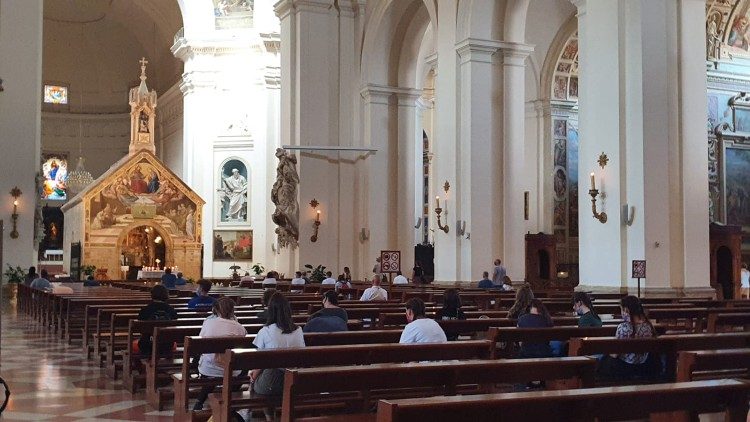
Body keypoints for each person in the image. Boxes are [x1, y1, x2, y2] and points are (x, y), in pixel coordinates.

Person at [192, 297, 248, 410]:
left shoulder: (208, 323)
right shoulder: (240, 328)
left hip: (209, 368)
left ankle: (199, 401)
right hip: (232, 370)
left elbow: (201, 341)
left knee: (211, 368)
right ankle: (229, 398)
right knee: (243, 368)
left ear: (216, 310)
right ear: (233, 311)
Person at [252, 294, 305, 400]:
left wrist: (253, 377)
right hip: (294, 379)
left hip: (272, 382)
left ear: (270, 311)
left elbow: (259, 360)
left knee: (257, 380)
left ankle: (268, 416)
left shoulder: (265, 331)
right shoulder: (298, 329)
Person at [597, 295, 659, 380]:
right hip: (644, 365)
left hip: (625, 367)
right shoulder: (648, 326)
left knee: (602, 360)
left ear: (626, 310)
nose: (621, 313)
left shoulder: (623, 327)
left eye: (621, 310)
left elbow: (615, 354)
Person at [136, 285, 178, 355]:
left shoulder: (145, 310)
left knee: (133, 345)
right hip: (167, 345)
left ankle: (137, 364)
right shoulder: (171, 310)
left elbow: (140, 329)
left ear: (152, 294)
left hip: (147, 345)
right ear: (166, 295)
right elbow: (174, 327)